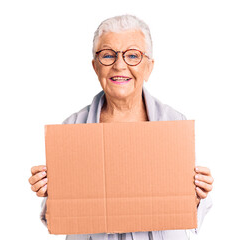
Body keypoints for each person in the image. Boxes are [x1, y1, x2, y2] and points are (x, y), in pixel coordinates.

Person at [28, 14, 213, 240]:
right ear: (96, 67)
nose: (119, 65)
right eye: (108, 55)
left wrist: (195, 196)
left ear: (149, 67)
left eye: (133, 55)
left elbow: (190, 216)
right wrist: (52, 193)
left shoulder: (175, 125)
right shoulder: (72, 129)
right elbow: (57, 218)